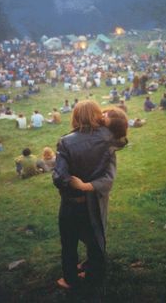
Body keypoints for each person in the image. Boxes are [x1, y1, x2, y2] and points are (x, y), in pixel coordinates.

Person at [52, 100, 127, 296]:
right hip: (95, 202)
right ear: (96, 115)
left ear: (75, 117)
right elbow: (109, 177)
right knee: (96, 239)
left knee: (68, 243)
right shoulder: (111, 138)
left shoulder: (65, 142)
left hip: (70, 204)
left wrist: (73, 185)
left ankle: (70, 279)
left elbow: (59, 178)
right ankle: (95, 276)